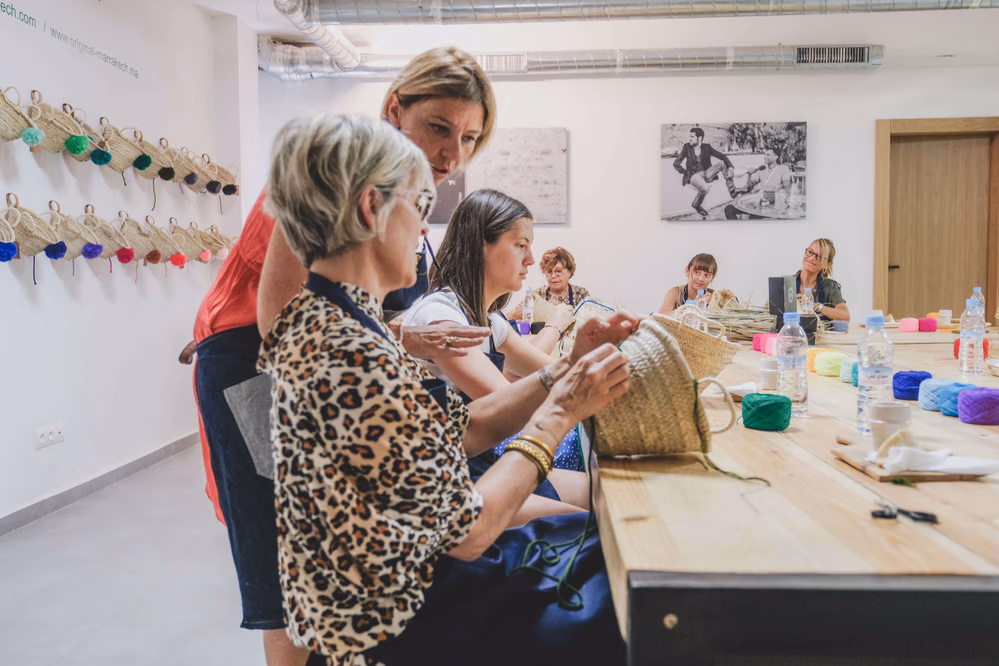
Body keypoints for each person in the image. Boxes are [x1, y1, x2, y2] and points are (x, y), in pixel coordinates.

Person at [260, 113, 636, 666]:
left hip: (406, 587)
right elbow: (472, 531)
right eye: (417, 207)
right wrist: (556, 415)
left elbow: (467, 430)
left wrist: (564, 372)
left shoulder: (334, 322)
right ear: (370, 208)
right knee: (638, 589)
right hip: (410, 612)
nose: (424, 231)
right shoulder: (349, 350)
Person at [193, 46, 498, 666]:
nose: (452, 155)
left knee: (341, 543)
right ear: (396, 110)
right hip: (248, 361)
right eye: (439, 128)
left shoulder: (396, 185)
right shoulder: (326, 168)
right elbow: (284, 322)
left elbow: (347, 306)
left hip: (306, 354)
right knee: (286, 541)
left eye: (469, 137)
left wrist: (406, 341)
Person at [401, 190, 589, 482]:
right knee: (597, 508)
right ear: (480, 246)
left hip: (481, 458)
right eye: (520, 245)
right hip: (455, 473)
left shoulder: (488, 319)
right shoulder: (441, 315)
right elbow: (507, 401)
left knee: (598, 491)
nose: (531, 259)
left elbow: (544, 369)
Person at [673, 127, 737, 218]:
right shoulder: (687, 147)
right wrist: (685, 173)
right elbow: (676, 163)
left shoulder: (707, 147)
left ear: (699, 138)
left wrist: (730, 167)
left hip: (706, 173)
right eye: (689, 136)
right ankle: (696, 204)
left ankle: (732, 190)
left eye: (692, 136)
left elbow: (722, 156)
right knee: (705, 188)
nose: (689, 138)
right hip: (693, 176)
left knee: (722, 163)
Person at [724, 149, 793, 220]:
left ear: (776, 157)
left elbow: (786, 186)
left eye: (768, 155)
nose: (765, 157)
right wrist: (749, 175)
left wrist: (773, 190)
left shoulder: (783, 169)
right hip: (756, 201)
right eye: (765, 154)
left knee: (754, 215)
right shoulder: (761, 169)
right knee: (729, 209)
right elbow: (749, 187)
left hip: (771, 203)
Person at [658, 253, 735, 315]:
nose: (701, 279)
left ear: (712, 278)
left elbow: (732, 319)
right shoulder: (676, 293)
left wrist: (728, 299)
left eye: (707, 275)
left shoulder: (715, 297)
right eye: (697, 273)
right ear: (687, 271)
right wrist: (696, 306)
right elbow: (662, 318)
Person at [796, 238, 849, 322]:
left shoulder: (830, 287)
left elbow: (845, 316)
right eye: (810, 252)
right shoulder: (785, 284)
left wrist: (815, 306)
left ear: (828, 264)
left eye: (819, 257)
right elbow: (769, 315)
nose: (812, 258)